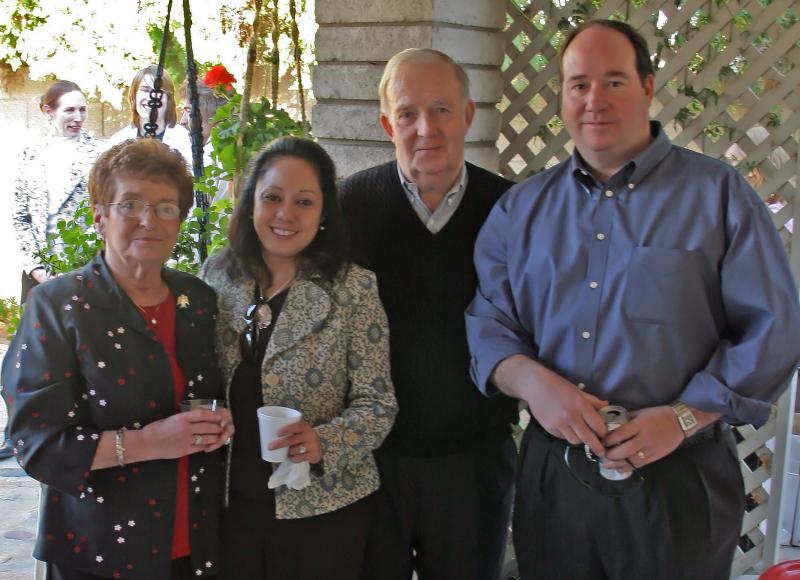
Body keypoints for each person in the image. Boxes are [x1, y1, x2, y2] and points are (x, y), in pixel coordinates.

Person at [466, 20, 800, 580]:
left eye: (614, 81)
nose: (594, 100)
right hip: (557, 480)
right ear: (563, 98)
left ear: (648, 87)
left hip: (679, 478)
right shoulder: (519, 211)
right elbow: (488, 320)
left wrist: (683, 416)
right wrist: (529, 381)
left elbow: (774, 330)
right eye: (578, 84)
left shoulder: (718, 197)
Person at [1, 138, 235, 579]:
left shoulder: (198, 300)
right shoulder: (59, 304)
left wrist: (223, 422)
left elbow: (216, 397)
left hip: (197, 545)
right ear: (99, 215)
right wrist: (149, 442)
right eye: (130, 204)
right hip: (100, 552)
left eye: (166, 207)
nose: (149, 220)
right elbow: (37, 445)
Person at [339, 49, 518, 580]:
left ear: (468, 115)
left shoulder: (512, 210)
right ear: (386, 123)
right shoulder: (346, 208)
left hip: (477, 460)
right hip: (373, 462)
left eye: (441, 110)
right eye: (409, 113)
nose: (425, 128)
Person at [200, 136, 397, 579]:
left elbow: (378, 406)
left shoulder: (354, 289)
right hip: (231, 508)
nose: (285, 214)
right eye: (272, 198)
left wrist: (323, 442)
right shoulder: (217, 276)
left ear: (324, 213)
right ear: (250, 202)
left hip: (322, 513)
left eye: (304, 202)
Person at [12, 80, 103, 297]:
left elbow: (106, 212)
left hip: (84, 272)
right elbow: (20, 217)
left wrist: (82, 266)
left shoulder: (100, 154)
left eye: (83, 110)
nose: (78, 117)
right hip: (38, 276)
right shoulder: (29, 154)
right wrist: (37, 269)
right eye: (69, 110)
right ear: (48, 112)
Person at [108, 65, 193, 166]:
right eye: (145, 90)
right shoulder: (117, 141)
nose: (151, 98)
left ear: (169, 99)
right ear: (134, 95)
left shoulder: (185, 140)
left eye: (159, 91)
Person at [178, 80, 230, 203]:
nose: (182, 121)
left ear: (214, 116)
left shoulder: (209, 157)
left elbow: (194, 217)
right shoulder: (232, 149)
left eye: (189, 111)